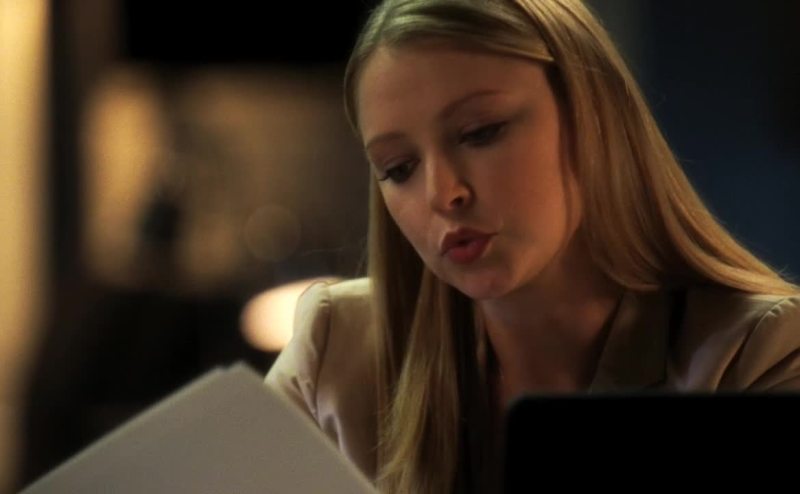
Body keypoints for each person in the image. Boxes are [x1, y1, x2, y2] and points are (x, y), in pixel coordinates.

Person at [266, 0, 800, 492]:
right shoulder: (334, 355)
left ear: (593, 116)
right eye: (399, 168)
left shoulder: (759, 353)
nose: (443, 194)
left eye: (480, 132)